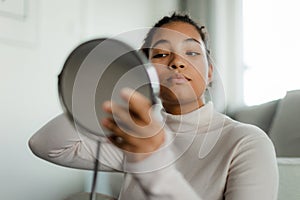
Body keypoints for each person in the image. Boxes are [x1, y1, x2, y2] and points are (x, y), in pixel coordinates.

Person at [29, 13, 279, 200]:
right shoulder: (135, 134)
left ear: (210, 71)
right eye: (160, 54)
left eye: (191, 52)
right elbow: (45, 144)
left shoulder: (246, 142)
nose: (177, 62)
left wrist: (150, 161)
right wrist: (122, 82)